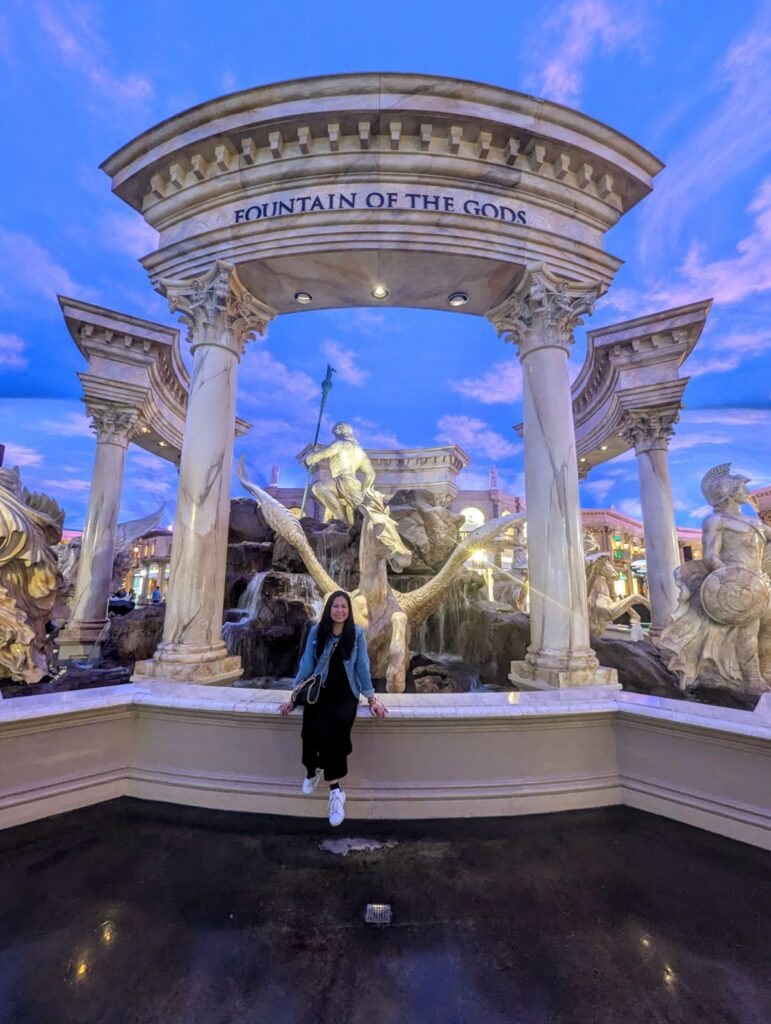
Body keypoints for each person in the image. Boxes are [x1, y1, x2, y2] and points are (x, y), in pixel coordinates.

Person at [280, 590, 387, 826]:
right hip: (320, 689)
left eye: (344, 607)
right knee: (310, 730)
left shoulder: (356, 633)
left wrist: (371, 699)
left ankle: (336, 792)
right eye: (336, 606)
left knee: (336, 731)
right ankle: (313, 769)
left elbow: (362, 666)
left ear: (349, 611)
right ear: (329, 609)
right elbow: (307, 662)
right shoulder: (318, 632)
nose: (340, 610)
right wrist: (294, 694)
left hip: (346, 692)